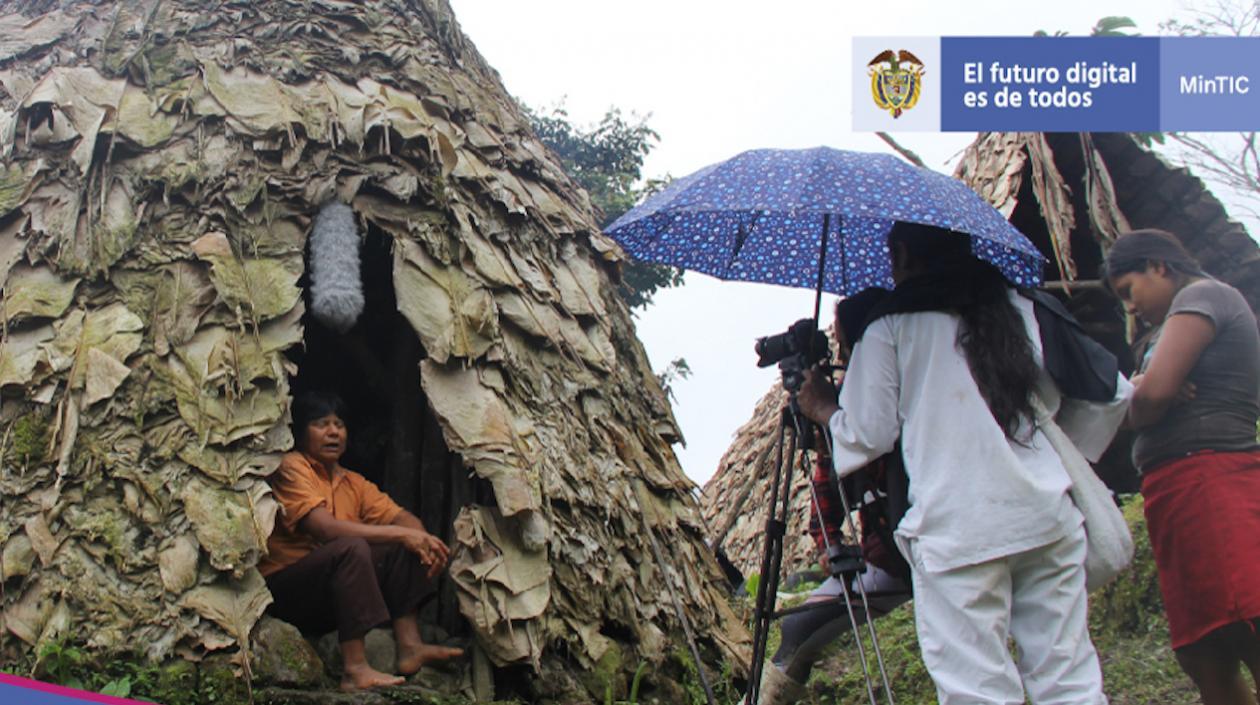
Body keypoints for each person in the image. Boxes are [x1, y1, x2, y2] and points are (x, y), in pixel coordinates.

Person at [798, 222, 1131, 705]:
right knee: (1069, 680)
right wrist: (1058, 455)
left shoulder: (890, 326)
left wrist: (823, 408)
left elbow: (868, 435)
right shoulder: (1021, 306)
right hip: (1047, 518)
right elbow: (1113, 391)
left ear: (905, 254)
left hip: (957, 533)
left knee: (977, 689)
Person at [1105, 229, 1260, 705]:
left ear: (1159, 266)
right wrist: (1145, 391)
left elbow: (1150, 399)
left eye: (1129, 290)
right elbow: (1145, 397)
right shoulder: (1162, 330)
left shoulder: (1204, 295)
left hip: (1211, 482)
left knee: (1246, 622)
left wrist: (1146, 393)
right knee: (1202, 651)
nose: (1129, 308)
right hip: (1176, 493)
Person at [759, 288, 912, 705]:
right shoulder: (874, 390)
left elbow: (843, 465)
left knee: (796, 630)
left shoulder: (874, 399)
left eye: (844, 341)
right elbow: (826, 482)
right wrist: (829, 542)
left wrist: (828, 411)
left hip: (905, 555)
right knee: (799, 625)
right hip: (898, 552)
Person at [260, 391, 463, 691]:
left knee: (400, 545)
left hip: (330, 595)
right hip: (288, 592)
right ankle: (354, 669)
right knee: (351, 548)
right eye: (321, 424)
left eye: (339, 424)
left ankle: (410, 647)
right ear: (301, 432)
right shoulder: (292, 467)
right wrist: (405, 535)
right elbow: (325, 530)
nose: (333, 432)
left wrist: (418, 538)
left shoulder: (353, 482)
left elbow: (400, 518)